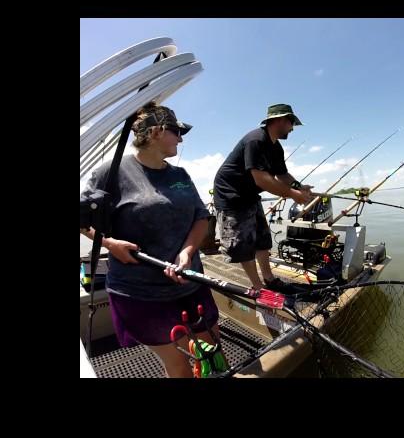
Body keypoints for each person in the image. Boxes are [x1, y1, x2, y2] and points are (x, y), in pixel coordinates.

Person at [80, 102, 221, 378]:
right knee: (180, 364)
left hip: (191, 283)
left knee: (211, 351)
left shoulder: (179, 175)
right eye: (176, 131)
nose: (181, 139)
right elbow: (82, 219)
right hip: (142, 293)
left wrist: (186, 251)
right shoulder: (111, 172)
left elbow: (201, 216)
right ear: (156, 132)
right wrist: (110, 244)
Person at [213, 103, 313, 290]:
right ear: (281, 120)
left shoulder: (276, 148)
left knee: (262, 239)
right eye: (291, 123)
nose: (292, 129)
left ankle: (269, 278)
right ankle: (257, 286)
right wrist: (293, 194)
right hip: (231, 196)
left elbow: (282, 175)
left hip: (250, 195)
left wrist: (299, 187)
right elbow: (261, 179)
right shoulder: (255, 140)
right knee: (243, 245)